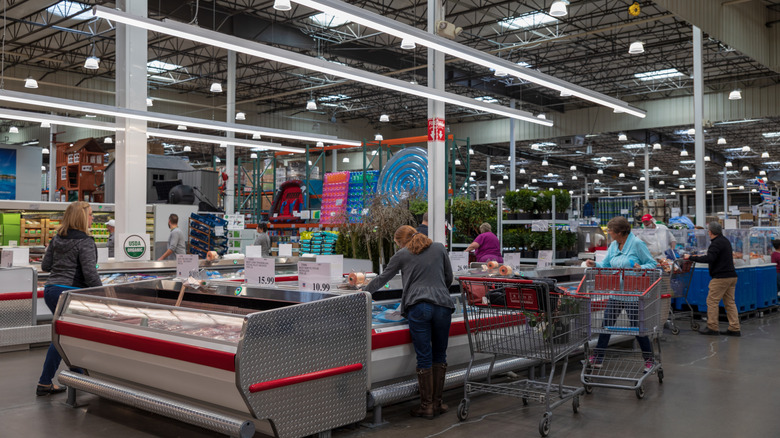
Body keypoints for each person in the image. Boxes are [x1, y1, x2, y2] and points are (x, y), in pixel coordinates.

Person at [364, 225, 454, 419]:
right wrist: (438, 291)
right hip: (443, 306)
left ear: (400, 241)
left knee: (424, 357)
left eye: (397, 244)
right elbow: (449, 277)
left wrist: (361, 294)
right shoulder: (439, 248)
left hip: (419, 307)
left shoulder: (402, 255)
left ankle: (426, 406)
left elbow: (382, 279)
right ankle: (438, 404)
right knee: (440, 354)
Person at [37, 201, 102, 396]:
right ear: (82, 217)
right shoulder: (85, 241)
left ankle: (78, 374)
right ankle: (45, 382)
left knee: (67, 334)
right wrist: (103, 295)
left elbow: (46, 266)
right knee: (62, 338)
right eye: (90, 215)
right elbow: (90, 274)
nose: (92, 218)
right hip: (70, 293)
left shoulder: (57, 239)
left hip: (51, 290)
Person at [585, 216, 658, 372]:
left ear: (619, 232)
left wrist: (641, 268)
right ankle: (598, 358)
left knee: (638, 328)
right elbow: (605, 265)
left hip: (633, 294)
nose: (608, 233)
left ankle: (649, 360)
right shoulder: (613, 246)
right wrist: (594, 264)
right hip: (616, 292)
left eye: (610, 230)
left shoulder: (637, 244)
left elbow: (653, 264)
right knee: (606, 325)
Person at [683, 222, 740, 336]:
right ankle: (734, 328)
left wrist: (691, 257)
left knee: (712, 301)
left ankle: (712, 327)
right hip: (732, 276)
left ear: (710, 232)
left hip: (720, 278)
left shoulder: (715, 243)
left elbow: (710, 258)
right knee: (730, 303)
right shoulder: (725, 241)